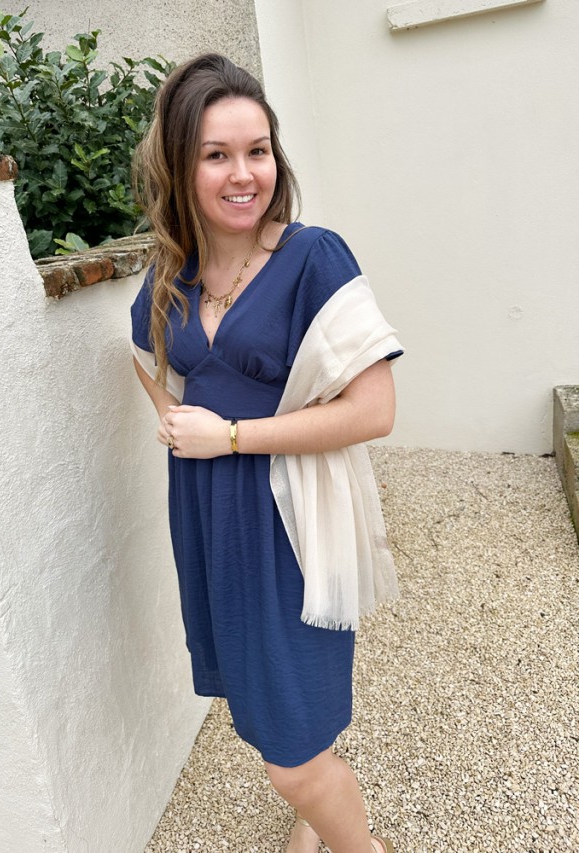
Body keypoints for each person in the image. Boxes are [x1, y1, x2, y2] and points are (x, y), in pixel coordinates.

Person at [130, 53, 403, 853]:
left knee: (290, 749)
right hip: (213, 521)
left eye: (258, 150)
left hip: (289, 518)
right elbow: (148, 357)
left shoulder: (313, 257)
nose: (244, 173)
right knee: (271, 706)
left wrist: (229, 436)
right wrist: (176, 420)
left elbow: (375, 410)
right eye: (217, 154)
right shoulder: (171, 274)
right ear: (179, 166)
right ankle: (313, 808)